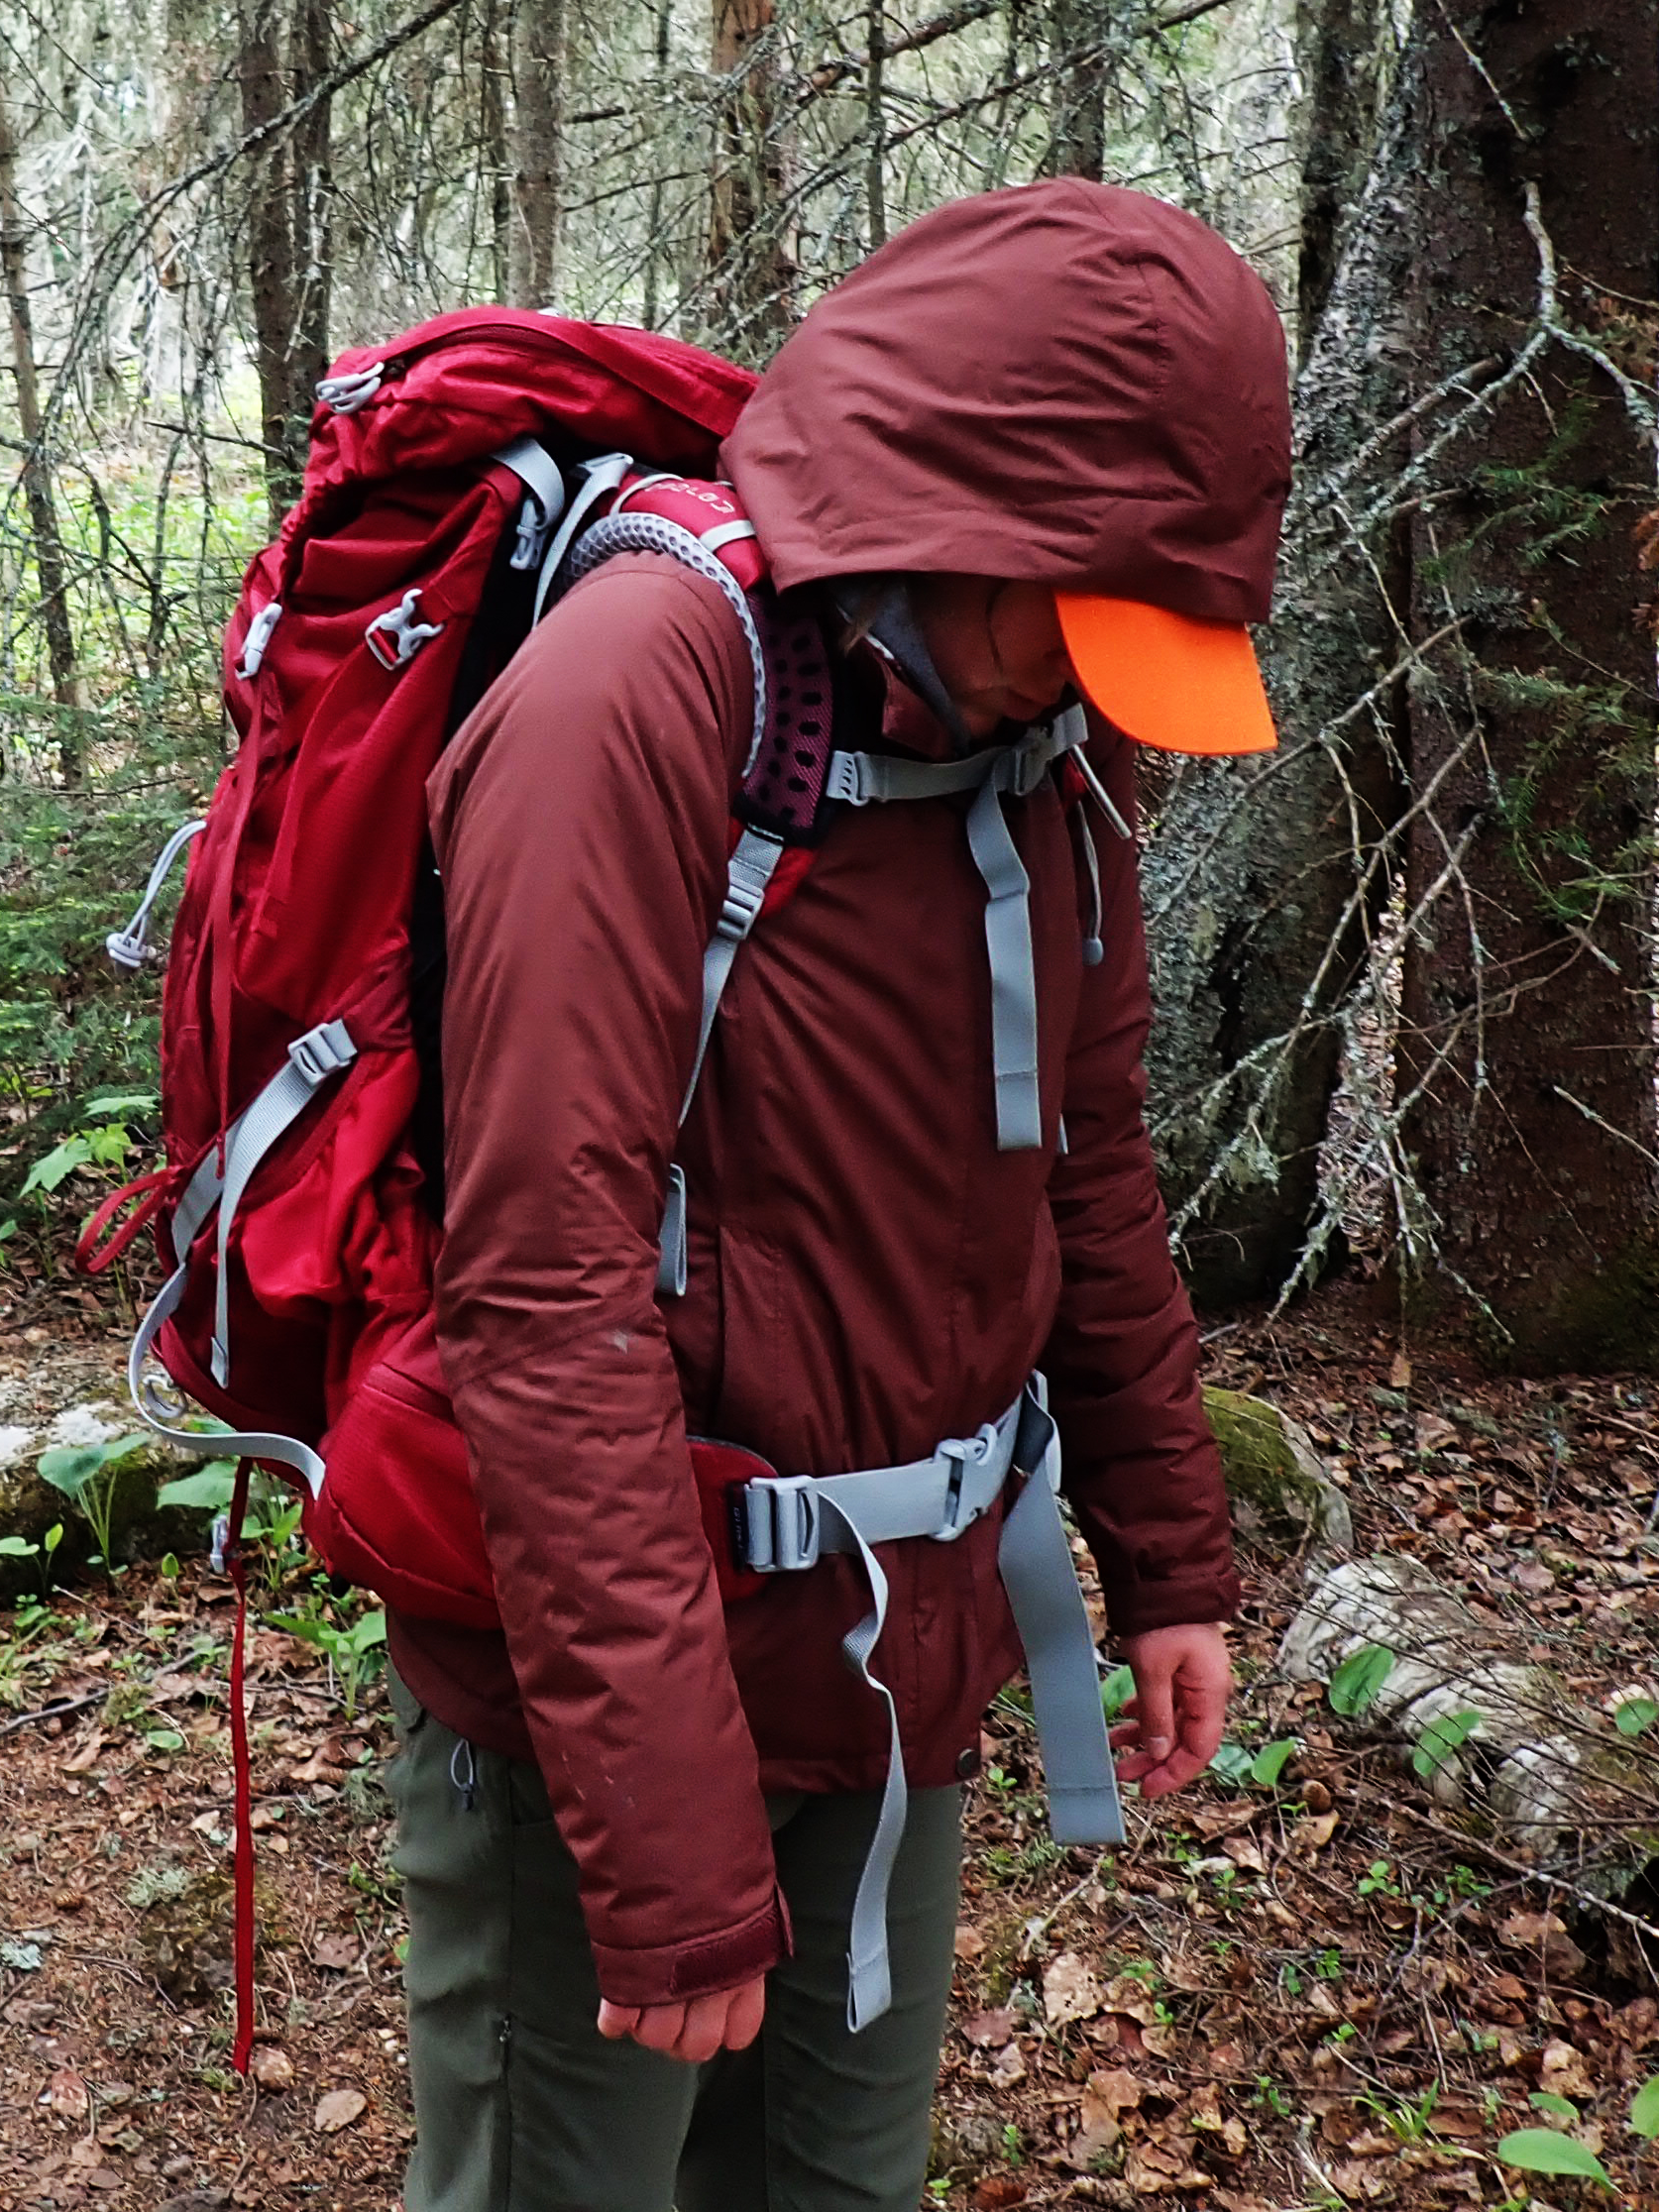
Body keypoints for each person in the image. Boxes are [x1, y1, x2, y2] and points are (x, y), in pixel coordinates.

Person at [390, 180, 1287, 2210]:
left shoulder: (1039, 736)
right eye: (1086, 622)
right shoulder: (635, 689)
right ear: (958, 519)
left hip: (898, 1655)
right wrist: (665, 1835)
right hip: (602, 1713)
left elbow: (1087, 1162)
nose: (1099, 688)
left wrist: (1167, 1558)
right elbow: (538, 1292)